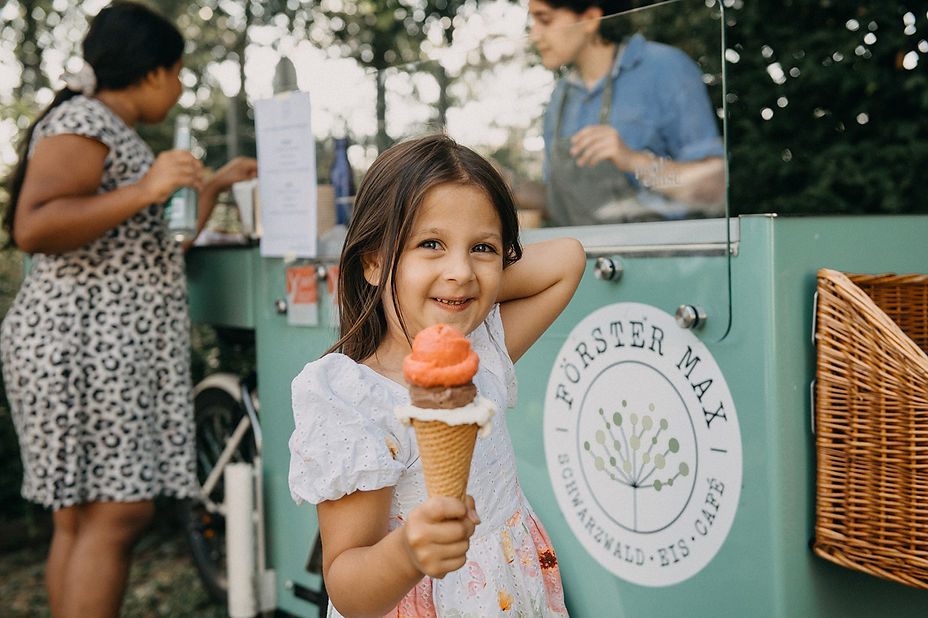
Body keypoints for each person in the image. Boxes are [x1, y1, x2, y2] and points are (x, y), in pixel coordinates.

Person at [0, 3, 257, 616]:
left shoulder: (105, 128)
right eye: (178, 72)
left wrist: (210, 187)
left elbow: (154, 243)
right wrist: (146, 187)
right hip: (83, 345)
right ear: (150, 73)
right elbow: (33, 226)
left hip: (95, 346)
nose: (179, 86)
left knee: (84, 520)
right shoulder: (85, 122)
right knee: (117, 514)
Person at [288, 133, 586, 616]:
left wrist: (470, 282)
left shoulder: (478, 351)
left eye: (483, 248)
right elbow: (347, 585)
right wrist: (409, 550)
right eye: (431, 243)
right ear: (373, 261)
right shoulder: (355, 401)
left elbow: (568, 258)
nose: (460, 270)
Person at [527, 0, 726, 226]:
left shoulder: (665, 68)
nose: (534, 34)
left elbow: (714, 188)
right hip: (587, 257)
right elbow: (559, 203)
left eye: (544, 20)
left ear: (590, 19)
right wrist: (507, 185)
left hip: (668, 256)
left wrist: (632, 160)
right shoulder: (560, 97)